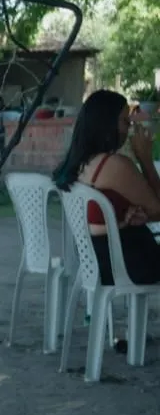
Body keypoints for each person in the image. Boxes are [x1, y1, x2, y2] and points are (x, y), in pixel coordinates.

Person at [53, 88, 160, 284]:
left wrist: (126, 218)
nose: (129, 129)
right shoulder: (115, 165)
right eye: (125, 122)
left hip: (93, 260)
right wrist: (145, 158)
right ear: (106, 124)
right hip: (130, 263)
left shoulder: (78, 164)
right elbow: (158, 210)